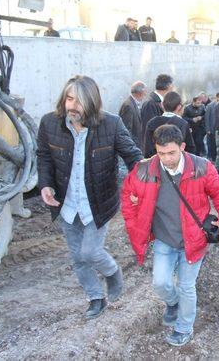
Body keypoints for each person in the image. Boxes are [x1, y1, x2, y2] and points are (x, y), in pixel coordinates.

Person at [37, 75, 142, 320]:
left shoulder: (111, 124)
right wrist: (45, 185)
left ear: (92, 103)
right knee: (77, 257)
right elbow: (44, 156)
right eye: (69, 98)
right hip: (66, 204)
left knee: (90, 252)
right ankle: (95, 297)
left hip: (98, 203)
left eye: (79, 101)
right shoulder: (49, 123)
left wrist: (139, 187)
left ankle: (113, 272)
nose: (72, 106)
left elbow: (134, 157)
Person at [121, 124, 219, 346]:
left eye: (171, 153)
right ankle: (173, 303)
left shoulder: (201, 167)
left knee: (186, 286)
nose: (166, 159)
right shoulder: (144, 170)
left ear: (182, 146)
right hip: (165, 239)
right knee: (160, 283)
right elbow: (127, 194)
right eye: (160, 153)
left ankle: (184, 328)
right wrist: (135, 222)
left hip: (194, 239)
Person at [143, 92, 195, 158]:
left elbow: (147, 149)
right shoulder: (183, 124)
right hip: (177, 163)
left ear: (162, 105)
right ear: (179, 107)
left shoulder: (151, 123)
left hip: (156, 162)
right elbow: (190, 149)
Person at [141, 74, 174, 153]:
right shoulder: (150, 103)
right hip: (155, 150)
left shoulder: (159, 101)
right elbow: (151, 130)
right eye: (172, 85)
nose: (173, 87)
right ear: (168, 86)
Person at [119, 81, 147, 148]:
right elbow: (126, 130)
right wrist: (131, 147)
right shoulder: (128, 106)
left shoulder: (133, 103)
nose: (145, 95)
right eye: (145, 93)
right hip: (133, 147)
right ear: (140, 93)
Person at [205, 92, 219, 162]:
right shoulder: (210, 105)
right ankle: (211, 158)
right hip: (211, 128)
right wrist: (208, 129)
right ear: (217, 97)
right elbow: (207, 118)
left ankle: (216, 158)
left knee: (217, 144)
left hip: (218, 129)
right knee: (211, 144)